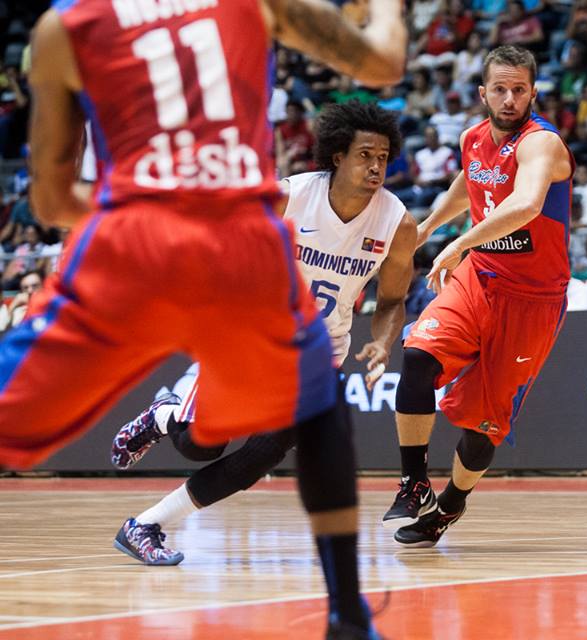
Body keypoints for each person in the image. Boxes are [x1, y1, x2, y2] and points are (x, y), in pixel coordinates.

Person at [7, 3, 406, 639]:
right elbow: (384, 60)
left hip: (132, 236)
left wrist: (140, 216)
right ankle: (349, 617)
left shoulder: (62, 27)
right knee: (317, 408)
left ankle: (162, 463)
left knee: (12, 415)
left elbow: (52, 201)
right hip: (237, 236)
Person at [110, 102, 416, 565]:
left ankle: (147, 525)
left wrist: (382, 341)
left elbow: (392, 300)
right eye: (365, 155)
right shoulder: (288, 198)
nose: (376, 166)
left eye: (383, 157)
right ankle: (166, 415)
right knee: (199, 445)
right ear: (337, 156)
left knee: (264, 453)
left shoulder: (398, 223)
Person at [381, 45, 573, 547]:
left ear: (533, 92)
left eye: (519, 89)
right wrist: (423, 230)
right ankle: (413, 482)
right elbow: (470, 185)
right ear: (482, 92)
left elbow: (527, 203)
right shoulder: (472, 137)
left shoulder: (542, 144)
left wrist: (461, 241)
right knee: (419, 354)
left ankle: (449, 506)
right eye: (500, 89)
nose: (509, 99)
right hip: (481, 276)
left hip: (533, 297)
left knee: (484, 425)